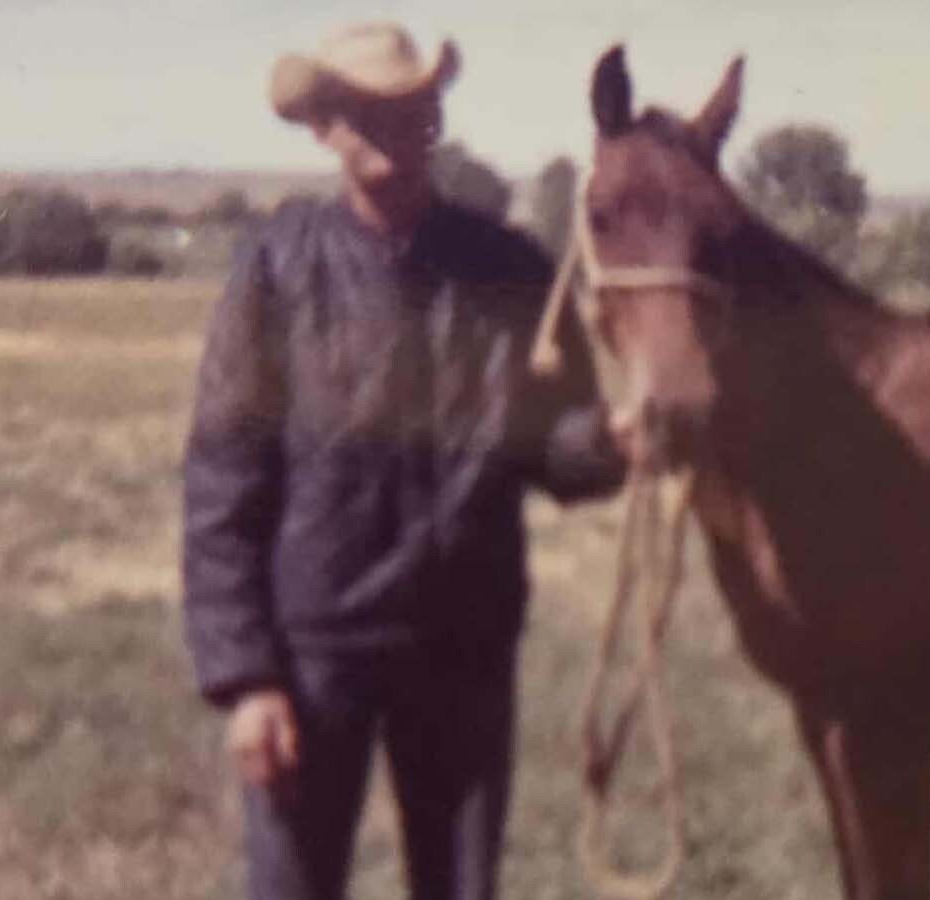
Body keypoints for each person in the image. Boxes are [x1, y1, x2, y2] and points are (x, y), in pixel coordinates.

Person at [181, 22, 622, 900]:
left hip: (463, 644)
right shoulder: (278, 266)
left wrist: (621, 439)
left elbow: (562, 454)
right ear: (324, 129)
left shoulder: (510, 269)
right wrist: (246, 678)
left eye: (416, 109)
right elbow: (223, 478)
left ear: (437, 119)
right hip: (312, 651)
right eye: (367, 112)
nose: (394, 127)